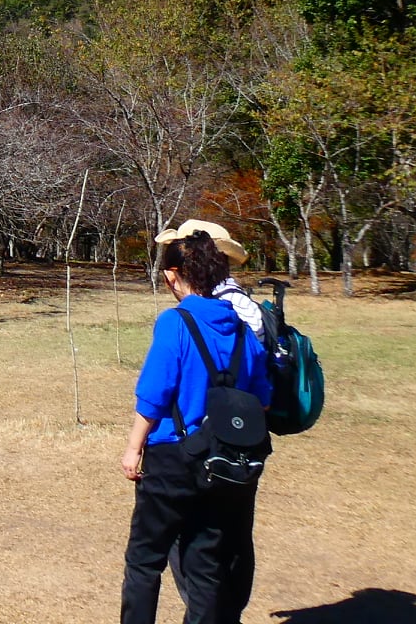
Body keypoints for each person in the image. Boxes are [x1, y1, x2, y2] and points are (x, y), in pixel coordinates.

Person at [121, 224, 273, 624]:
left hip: (172, 457)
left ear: (174, 275)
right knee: (205, 563)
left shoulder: (175, 323)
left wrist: (134, 447)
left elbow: (154, 394)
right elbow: (263, 400)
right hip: (223, 463)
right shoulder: (243, 330)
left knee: (144, 560)